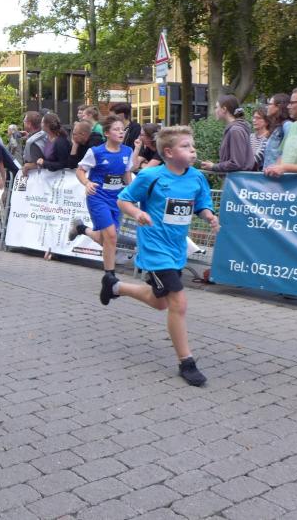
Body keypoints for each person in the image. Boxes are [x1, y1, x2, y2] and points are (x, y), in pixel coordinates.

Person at [113, 125, 219, 386]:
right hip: (155, 249)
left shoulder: (196, 178)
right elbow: (123, 200)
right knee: (178, 303)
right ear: (169, 152)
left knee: (161, 303)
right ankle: (186, 362)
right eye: (186, 146)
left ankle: (115, 287)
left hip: (176, 249)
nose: (193, 150)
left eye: (193, 146)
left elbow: (202, 204)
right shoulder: (151, 176)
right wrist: (137, 213)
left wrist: (209, 216)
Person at [69, 115, 133, 301]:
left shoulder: (127, 151)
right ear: (106, 133)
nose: (121, 132)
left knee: (106, 240)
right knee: (111, 236)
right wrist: (87, 183)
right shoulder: (96, 152)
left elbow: (127, 176)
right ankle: (110, 276)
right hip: (98, 197)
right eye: (116, 129)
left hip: (116, 199)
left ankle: (81, 228)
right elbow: (80, 170)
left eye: (122, 129)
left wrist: (131, 193)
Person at [201, 95, 255, 172]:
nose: (215, 110)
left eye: (216, 107)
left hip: (237, 179)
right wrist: (214, 166)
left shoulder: (235, 130)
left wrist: (214, 166)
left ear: (224, 109)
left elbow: (236, 163)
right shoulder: (235, 129)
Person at [261, 93, 292, 171]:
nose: (267, 107)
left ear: (278, 106)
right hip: (270, 173)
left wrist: (278, 167)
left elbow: (290, 150)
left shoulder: (287, 125)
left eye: (270, 104)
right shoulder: (276, 127)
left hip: (278, 174)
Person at [249, 106, 270, 170]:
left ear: (267, 121)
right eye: (254, 118)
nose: (254, 120)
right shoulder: (251, 136)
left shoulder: (269, 137)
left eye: (258, 118)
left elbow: (258, 157)